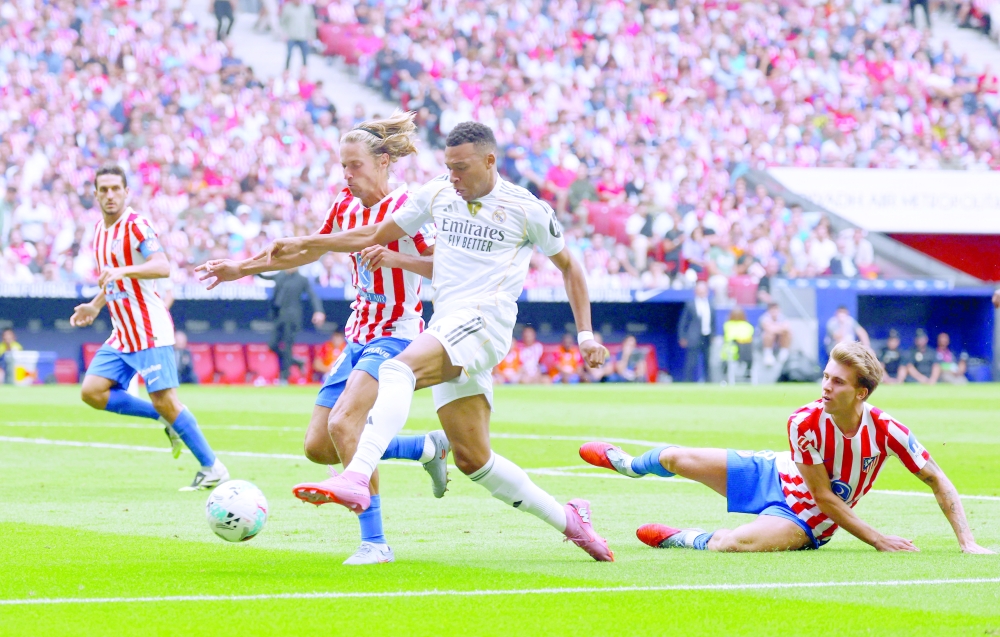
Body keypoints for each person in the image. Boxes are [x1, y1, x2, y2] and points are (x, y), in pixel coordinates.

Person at [248, 122, 613, 561]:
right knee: (474, 460)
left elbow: (570, 266)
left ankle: (357, 477)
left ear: (490, 161)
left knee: (397, 368)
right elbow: (372, 234)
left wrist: (586, 335)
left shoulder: (526, 208)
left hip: (485, 321)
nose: (453, 176)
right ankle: (571, 520)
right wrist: (308, 241)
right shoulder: (439, 191)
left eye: (461, 167)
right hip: (448, 325)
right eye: (448, 166)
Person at [197, 112, 451, 565]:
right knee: (319, 446)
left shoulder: (409, 208)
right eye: (343, 166)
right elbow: (309, 249)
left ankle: (375, 543)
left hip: (396, 334)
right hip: (358, 334)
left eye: (355, 165)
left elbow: (444, 267)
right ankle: (424, 447)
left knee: (344, 424)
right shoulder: (344, 203)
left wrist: (397, 260)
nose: (347, 175)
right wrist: (240, 268)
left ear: (384, 162)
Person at [580, 342, 993, 554]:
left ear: (861, 393)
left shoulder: (888, 431)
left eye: (837, 382)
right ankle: (627, 463)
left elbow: (937, 479)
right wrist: (878, 539)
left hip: (807, 520)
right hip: (772, 473)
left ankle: (680, 538)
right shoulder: (803, 421)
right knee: (674, 457)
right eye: (825, 376)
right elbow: (823, 490)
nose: (825, 387)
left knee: (733, 544)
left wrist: (967, 541)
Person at [69, 166, 228, 491]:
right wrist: (95, 305)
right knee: (92, 392)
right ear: (95, 194)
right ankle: (166, 418)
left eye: (116, 188)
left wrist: (123, 270)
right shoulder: (99, 231)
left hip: (149, 330)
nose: (110, 195)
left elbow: (162, 265)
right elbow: (113, 280)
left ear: (126, 192)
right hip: (122, 333)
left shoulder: (136, 225)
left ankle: (213, 468)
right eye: (104, 189)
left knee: (164, 399)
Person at [259, 267, 325, 382]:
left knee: (288, 347)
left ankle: (284, 377)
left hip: (292, 317)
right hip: (279, 316)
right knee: (272, 345)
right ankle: (296, 361)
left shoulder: (302, 279)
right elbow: (264, 277)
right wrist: (253, 268)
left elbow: (313, 296)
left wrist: (318, 311)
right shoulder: (280, 274)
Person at [678, 280, 712, 382]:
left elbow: (713, 321)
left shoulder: (711, 304)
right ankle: (688, 381)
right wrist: (682, 336)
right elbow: (683, 322)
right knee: (691, 361)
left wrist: (713, 335)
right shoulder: (690, 304)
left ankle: (708, 382)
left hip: (707, 336)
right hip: (693, 337)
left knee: (708, 361)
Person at [281, 0, 316, 71]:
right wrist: (284, 34)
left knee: (304, 56)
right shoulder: (287, 7)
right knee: (289, 55)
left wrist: (311, 36)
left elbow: (310, 23)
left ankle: (304, 73)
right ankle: (286, 71)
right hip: (291, 36)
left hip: (303, 36)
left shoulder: (307, 8)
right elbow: (282, 22)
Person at [722, 307, 754, 378]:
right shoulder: (748, 325)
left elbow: (728, 337)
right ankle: (748, 370)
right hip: (746, 354)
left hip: (732, 352)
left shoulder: (727, 325)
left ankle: (725, 374)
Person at [758, 302, 791, 367]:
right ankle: (768, 354)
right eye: (772, 309)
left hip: (779, 340)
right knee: (769, 334)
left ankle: (783, 353)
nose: (774, 311)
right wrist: (780, 328)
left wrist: (775, 328)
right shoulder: (764, 318)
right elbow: (769, 329)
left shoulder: (783, 317)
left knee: (787, 333)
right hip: (763, 342)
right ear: (769, 310)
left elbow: (787, 328)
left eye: (776, 309)